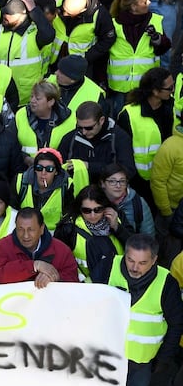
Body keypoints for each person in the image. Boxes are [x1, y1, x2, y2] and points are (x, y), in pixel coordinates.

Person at [98, 234, 183, 386]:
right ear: (125, 254)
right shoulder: (108, 266)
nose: (135, 268)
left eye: (142, 263)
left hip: (141, 363)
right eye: (130, 260)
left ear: (154, 259)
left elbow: (176, 323)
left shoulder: (167, 282)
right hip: (105, 354)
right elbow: (86, 298)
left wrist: (164, 357)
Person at [108, 0, 171, 115]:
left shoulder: (155, 20)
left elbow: (164, 47)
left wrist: (156, 38)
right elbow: (104, 54)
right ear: (133, 6)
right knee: (120, 119)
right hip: (120, 88)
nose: (149, 3)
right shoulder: (114, 24)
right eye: (145, 1)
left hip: (145, 86)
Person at [118, 67, 175, 209]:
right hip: (142, 183)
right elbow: (123, 152)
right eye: (169, 88)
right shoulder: (129, 115)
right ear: (155, 91)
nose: (173, 90)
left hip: (170, 178)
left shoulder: (173, 108)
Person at [54, 184, 133, 281]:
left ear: (105, 207)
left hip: (118, 281)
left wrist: (117, 227)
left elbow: (134, 246)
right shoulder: (68, 229)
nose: (92, 215)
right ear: (79, 209)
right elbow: (60, 261)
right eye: (86, 210)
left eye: (98, 210)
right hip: (86, 286)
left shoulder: (118, 217)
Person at [0, 0, 55, 105]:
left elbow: (49, 34)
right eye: (4, 12)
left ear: (22, 15)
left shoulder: (34, 34)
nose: (4, 16)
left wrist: (34, 10)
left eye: (9, 14)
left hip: (25, 98)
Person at [0, 207, 79, 287]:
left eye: (31, 230)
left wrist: (56, 277)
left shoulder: (62, 250)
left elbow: (73, 279)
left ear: (41, 229)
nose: (25, 236)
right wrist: (34, 266)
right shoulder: (2, 246)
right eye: (20, 229)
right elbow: (0, 276)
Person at [58, 101, 137, 183]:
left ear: (101, 120)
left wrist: (89, 166)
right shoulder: (70, 138)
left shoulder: (119, 138)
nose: (84, 132)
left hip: (110, 193)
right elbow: (58, 169)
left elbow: (128, 170)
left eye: (89, 128)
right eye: (80, 127)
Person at [14, 147, 74, 232]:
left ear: (56, 171)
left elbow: (68, 217)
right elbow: (12, 212)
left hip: (54, 233)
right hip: (25, 232)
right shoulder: (20, 182)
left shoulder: (67, 186)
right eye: (39, 168)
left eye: (49, 169)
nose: (43, 173)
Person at [14, 80, 75, 161]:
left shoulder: (70, 119)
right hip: (25, 167)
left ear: (51, 102)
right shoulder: (21, 115)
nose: (32, 101)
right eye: (32, 96)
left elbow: (72, 149)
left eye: (37, 98)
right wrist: (25, 158)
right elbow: (12, 144)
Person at [151, 121, 183, 251]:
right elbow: (157, 181)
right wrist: (166, 211)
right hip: (172, 209)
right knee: (168, 248)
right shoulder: (170, 146)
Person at [101, 163, 155, 237]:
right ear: (103, 183)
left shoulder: (138, 203)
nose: (118, 185)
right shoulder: (95, 201)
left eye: (122, 181)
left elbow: (148, 237)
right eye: (112, 181)